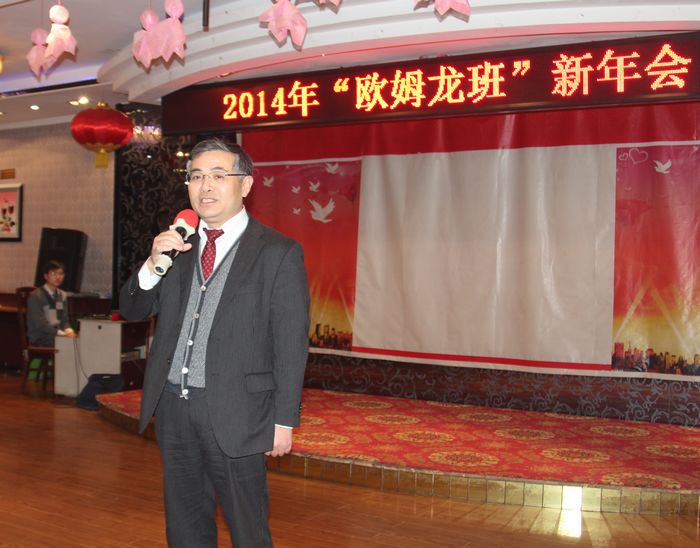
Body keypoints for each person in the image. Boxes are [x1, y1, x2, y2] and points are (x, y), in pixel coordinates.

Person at [119, 138, 310, 547]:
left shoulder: (278, 252)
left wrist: (284, 421)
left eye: (219, 175)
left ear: (246, 185)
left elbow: (291, 343)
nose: (205, 185)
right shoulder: (177, 246)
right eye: (196, 176)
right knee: (185, 528)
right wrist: (152, 264)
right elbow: (132, 309)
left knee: (248, 530)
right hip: (174, 408)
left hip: (240, 412)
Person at [26, 259, 75, 346]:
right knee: (68, 345)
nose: (58, 277)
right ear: (46, 276)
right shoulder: (36, 296)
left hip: (57, 336)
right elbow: (40, 324)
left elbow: (64, 320)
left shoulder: (62, 295)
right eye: (53, 273)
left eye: (61, 274)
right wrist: (59, 333)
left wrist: (68, 330)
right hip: (40, 338)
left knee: (78, 342)